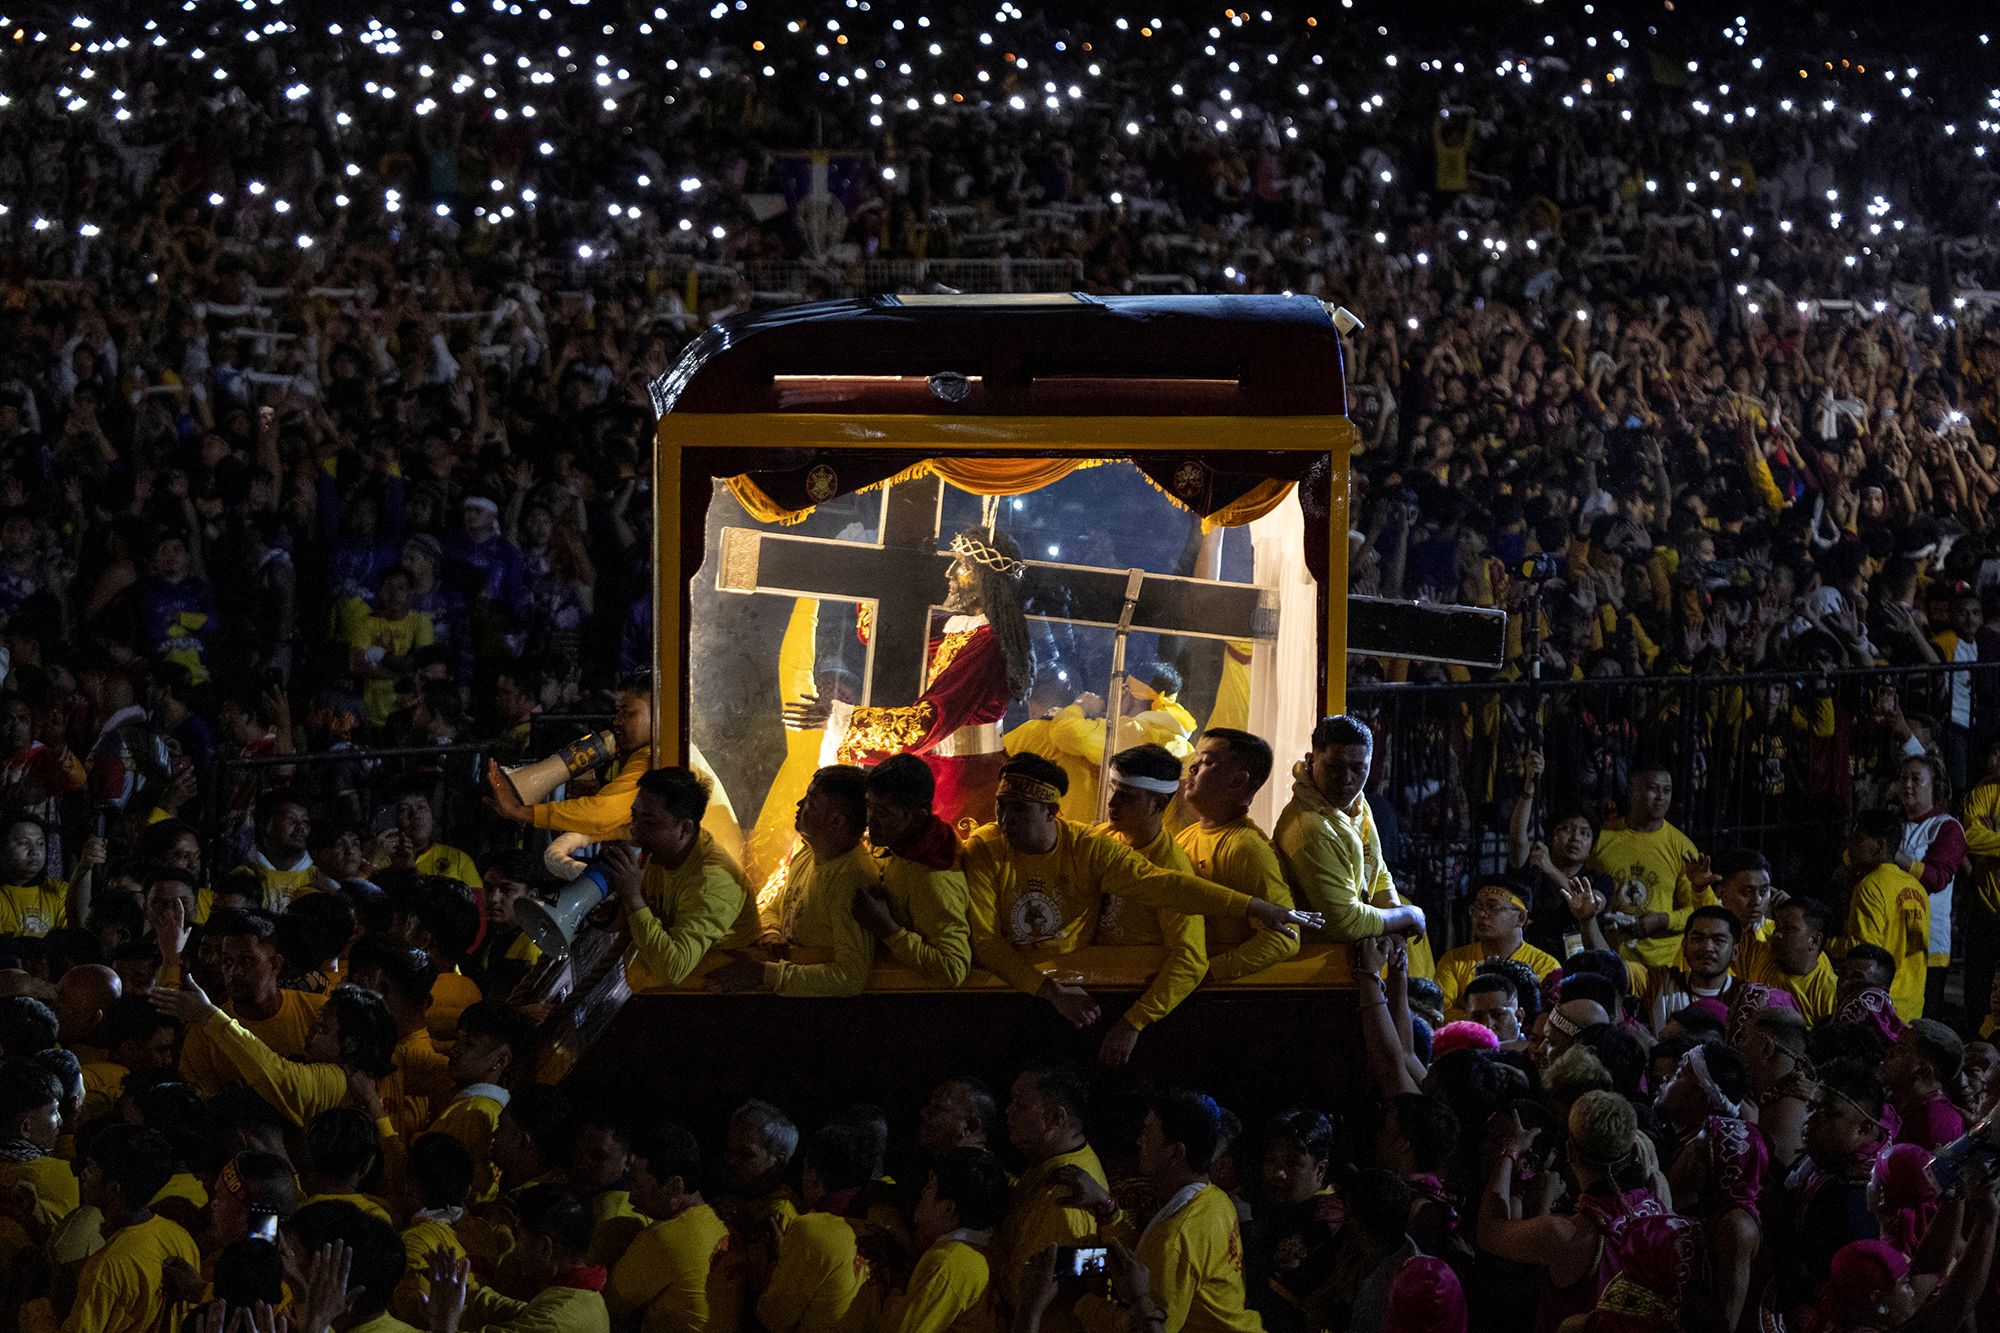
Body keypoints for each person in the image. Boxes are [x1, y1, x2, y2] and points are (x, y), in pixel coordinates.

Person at [965, 754, 1318, 1029]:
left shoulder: (1089, 847)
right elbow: (984, 940)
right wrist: (1049, 991)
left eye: (1019, 809)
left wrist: (1256, 907)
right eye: (1001, 806)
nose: (1005, 819)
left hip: (1085, 994)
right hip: (1012, 988)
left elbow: (1163, 886)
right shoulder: (986, 845)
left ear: (1051, 812)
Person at [792, 528, 1035, 830]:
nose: (949, 572)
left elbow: (925, 724)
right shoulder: (958, 627)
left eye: (960, 564)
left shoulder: (987, 644)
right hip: (936, 769)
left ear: (984, 577)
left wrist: (841, 719)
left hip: (966, 785)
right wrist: (872, 564)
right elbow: (883, 634)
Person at [1062, 1087, 1260, 1333]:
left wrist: (1080, 1302)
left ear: (1176, 1152)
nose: (1139, 1140)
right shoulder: (1214, 1199)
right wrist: (1107, 1206)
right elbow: (1148, 1256)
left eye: (1148, 1132)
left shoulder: (1176, 1236)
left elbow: (1150, 1327)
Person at [1272, 715, 1429, 961]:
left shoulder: (1355, 802)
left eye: (1358, 769)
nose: (1347, 779)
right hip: (1320, 966)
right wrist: (1409, 916)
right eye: (1335, 767)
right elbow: (1346, 922)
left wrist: (1394, 911)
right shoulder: (1310, 828)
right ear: (1311, 761)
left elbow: (1375, 869)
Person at [711, 766, 876, 997]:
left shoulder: (851, 881)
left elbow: (849, 977)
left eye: (811, 801)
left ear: (836, 821)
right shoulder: (807, 854)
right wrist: (771, 931)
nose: (799, 805)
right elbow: (776, 906)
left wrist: (766, 974)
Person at [1093, 744, 1208, 1068]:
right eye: (1113, 790)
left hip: (1134, 1002)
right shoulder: (1103, 839)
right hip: (1092, 994)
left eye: (1127, 796)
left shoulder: (1169, 868)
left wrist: (1133, 1022)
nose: (1112, 803)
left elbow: (1190, 959)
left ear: (1158, 802)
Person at [24, 1122, 199, 1333]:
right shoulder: (179, 1236)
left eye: (91, 1168)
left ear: (114, 1189)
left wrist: (37, 1308)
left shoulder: (107, 1268)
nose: (84, 1174)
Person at [598, 766, 758, 992]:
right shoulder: (660, 853)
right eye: (635, 817)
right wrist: (611, 913)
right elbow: (642, 915)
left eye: (650, 823)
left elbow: (671, 969)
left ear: (684, 829)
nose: (635, 830)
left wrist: (632, 897)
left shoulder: (713, 881)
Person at [1177, 729, 1301, 982]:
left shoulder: (1246, 848)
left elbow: (1285, 938)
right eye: (1196, 759)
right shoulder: (1187, 836)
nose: (1193, 768)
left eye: (1207, 761)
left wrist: (1208, 973)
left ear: (1237, 781)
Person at [174, 907, 329, 1095]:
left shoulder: (319, 1013)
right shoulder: (203, 1033)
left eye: (246, 961)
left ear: (275, 964)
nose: (235, 972)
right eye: (228, 962)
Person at [851, 754, 972, 988]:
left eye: (884, 812)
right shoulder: (899, 846)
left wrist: (887, 929)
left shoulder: (931, 876)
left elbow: (953, 967)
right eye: (870, 806)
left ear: (917, 818)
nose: (871, 820)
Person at [425, 1183, 613, 1333]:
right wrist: (468, 1289)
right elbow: (523, 1311)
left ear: (544, 1247)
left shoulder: (554, 1320)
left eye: (520, 1239)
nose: (516, 1249)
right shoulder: (585, 1296)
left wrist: (445, 1323)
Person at [994, 1066, 1106, 1309]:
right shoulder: (1051, 1160)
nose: (1008, 1111)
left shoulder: (1063, 1197)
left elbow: (1021, 1293)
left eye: (1020, 1105)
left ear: (1056, 1118)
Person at [607, 1117, 732, 1333]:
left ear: (674, 1186)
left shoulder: (664, 1236)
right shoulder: (716, 1221)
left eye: (637, 1185)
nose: (631, 1199)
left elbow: (607, 1306)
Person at [756, 1124, 882, 1333]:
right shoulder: (879, 1222)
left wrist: (779, 1259)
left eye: (804, 1169)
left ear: (814, 1177)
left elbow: (772, 1318)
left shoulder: (812, 1229)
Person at [879, 1146, 1009, 1333]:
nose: (923, 1192)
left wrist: (896, 1288)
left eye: (931, 1187)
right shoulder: (985, 1249)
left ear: (948, 1209)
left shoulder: (948, 1262)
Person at [1586, 762, 1701, 968]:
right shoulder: (1603, 839)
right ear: (1633, 791)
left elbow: (1696, 910)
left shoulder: (1683, 848)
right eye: (1653, 789)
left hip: (1661, 966)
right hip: (1611, 960)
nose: (1660, 797)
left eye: (1666, 790)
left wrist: (1663, 920)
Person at [1835, 808, 1932, 1021]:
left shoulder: (1870, 886)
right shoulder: (1916, 888)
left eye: (1858, 839)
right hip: (1913, 1007)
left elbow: (1862, 954)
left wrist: (1828, 945)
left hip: (1880, 1009)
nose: (1851, 845)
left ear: (1879, 845)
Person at [1434, 878, 1560, 1018]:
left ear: (1521, 918)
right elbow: (1440, 1014)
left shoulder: (1545, 965)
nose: (1481, 914)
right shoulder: (1454, 960)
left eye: (1492, 907)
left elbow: (1540, 1017)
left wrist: (1473, 1012)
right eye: (1477, 907)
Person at [1640, 906, 1751, 1034]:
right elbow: (1618, 969)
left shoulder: (1747, 997)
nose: (1707, 948)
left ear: (1735, 952)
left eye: (1719, 940)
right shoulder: (1659, 981)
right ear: (1684, 945)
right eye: (1697, 939)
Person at [1742, 896, 1841, 1025]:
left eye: (1789, 928)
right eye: (1777, 927)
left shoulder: (1829, 991)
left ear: (1815, 940)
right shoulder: (1760, 957)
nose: (1777, 934)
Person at [1883, 1019, 1967, 1150]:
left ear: (1924, 1072)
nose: (1889, 1053)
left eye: (1900, 1050)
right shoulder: (1896, 1104)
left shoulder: (1939, 1124)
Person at [246, 792, 318, 911]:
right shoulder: (245, 875)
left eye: (305, 821)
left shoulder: (318, 879)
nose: (301, 827)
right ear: (265, 824)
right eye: (291, 819)